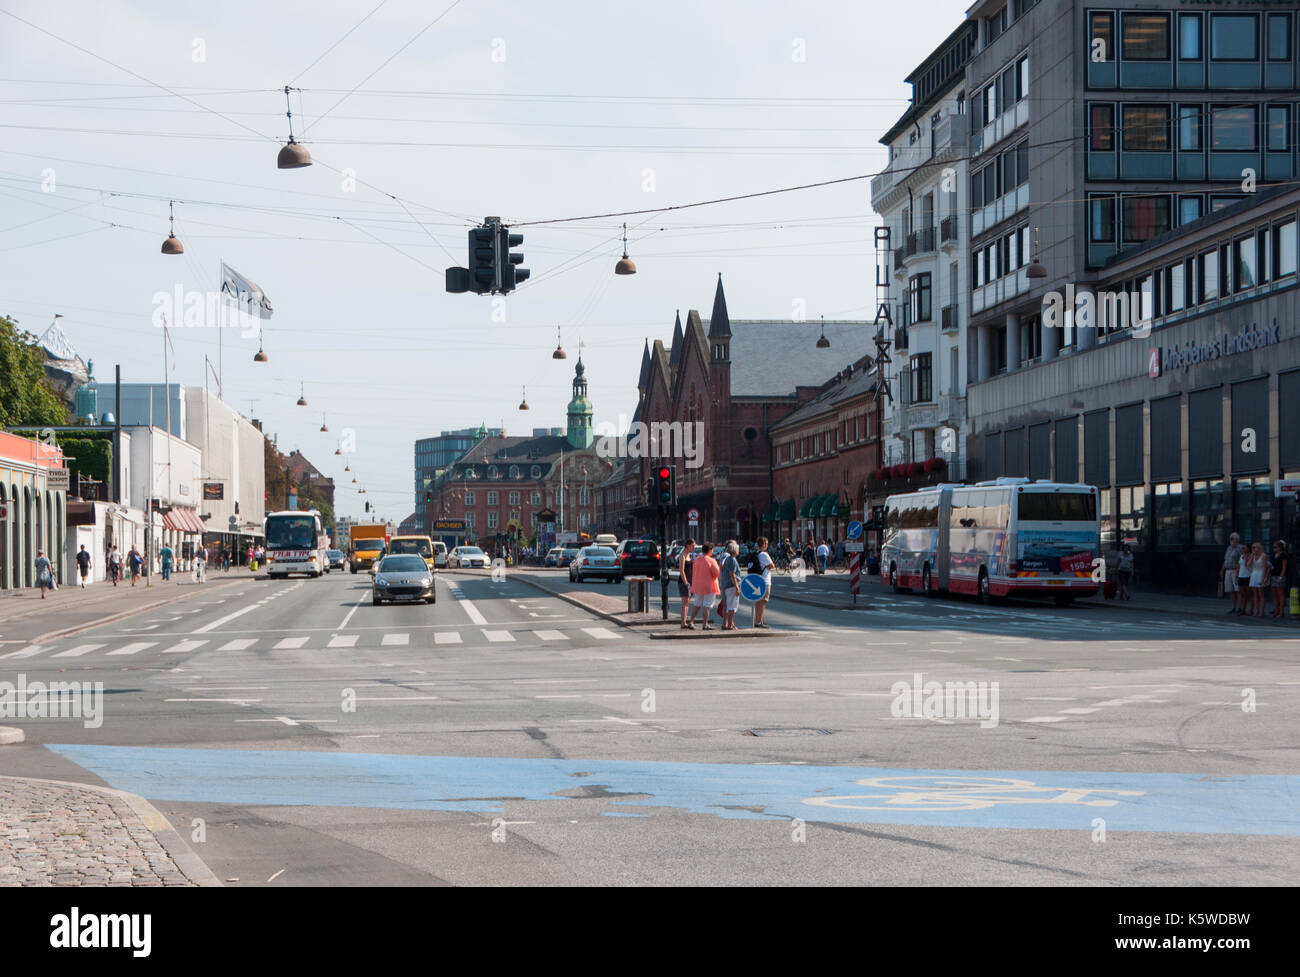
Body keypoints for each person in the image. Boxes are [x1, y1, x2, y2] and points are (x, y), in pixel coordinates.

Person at [688, 542, 721, 630]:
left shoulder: (697, 560)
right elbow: (716, 573)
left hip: (698, 585)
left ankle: (691, 621)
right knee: (707, 605)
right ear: (710, 550)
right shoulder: (711, 560)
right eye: (712, 549)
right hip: (709, 585)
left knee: (697, 604)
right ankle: (705, 624)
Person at [719, 540, 741, 631]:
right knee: (732, 606)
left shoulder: (727, 559)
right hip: (731, 586)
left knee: (727, 606)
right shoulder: (732, 560)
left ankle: (727, 624)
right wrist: (737, 587)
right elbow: (732, 574)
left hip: (725, 584)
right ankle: (730, 625)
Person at [753, 537, 773, 629]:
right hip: (765, 580)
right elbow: (772, 565)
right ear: (764, 544)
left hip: (758, 579)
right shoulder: (764, 554)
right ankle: (759, 622)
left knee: (758, 602)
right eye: (767, 543)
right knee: (763, 602)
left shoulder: (756, 553)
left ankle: (757, 620)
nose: (767, 545)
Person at [1221, 533, 1244, 613]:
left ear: (1237, 540)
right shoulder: (1229, 548)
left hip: (1235, 570)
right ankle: (1233, 607)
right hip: (1228, 570)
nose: (1231, 540)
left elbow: (1241, 561)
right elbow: (1225, 559)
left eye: (1232, 539)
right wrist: (1222, 570)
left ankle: (1240, 607)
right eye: (1230, 539)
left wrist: (1238, 571)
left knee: (1237, 589)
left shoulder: (1240, 548)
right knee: (1230, 590)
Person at [676, 538, 696, 629]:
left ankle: (684, 621)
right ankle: (683, 623)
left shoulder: (690, 556)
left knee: (687, 602)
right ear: (688, 545)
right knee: (684, 602)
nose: (694, 547)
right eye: (693, 545)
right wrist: (686, 583)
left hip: (690, 581)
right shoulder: (682, 556)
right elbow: (681, 570)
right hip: (684, 582)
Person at [1247, 541, 1269, 617]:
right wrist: (1252, 555)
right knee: (1255, 594)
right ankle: (1257, 610)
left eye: (1254, 547)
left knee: (1261, 594)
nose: (1253, 549)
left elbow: (1264, 568)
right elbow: (1248, 565)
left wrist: (1262, 579)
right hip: (1254, 574)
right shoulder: (1253, 555)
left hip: (1260, 574)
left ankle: (1262, 611)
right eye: (1252, 547)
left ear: (1258, 548)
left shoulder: (1263, 556)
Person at [1270, 540, 1289, 622]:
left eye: (1276, 547)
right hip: (1273, 575)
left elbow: (1284, 567)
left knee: (1280, 594)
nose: (1274, 548)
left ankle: (1281, 612)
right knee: (1275, 594)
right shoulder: (1274, 555)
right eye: (1274, 547)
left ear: (1280, 548)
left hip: (1280, 576)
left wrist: (1281, 577)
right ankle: (1276, 610)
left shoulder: (1283, 555)